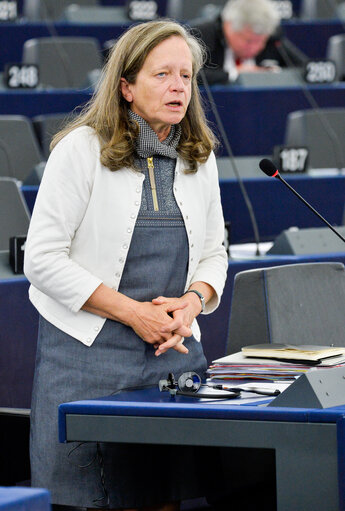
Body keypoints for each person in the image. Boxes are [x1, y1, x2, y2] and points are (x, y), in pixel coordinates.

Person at [24, 19, 228, 511]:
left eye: (186, 75)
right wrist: (135, 313)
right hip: (86, 363)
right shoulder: (80, 150)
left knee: (162, 496)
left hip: (172, 361)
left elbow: (214, 252)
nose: (179, 85)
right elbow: (42, 260)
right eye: (162, 75)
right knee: (93, 499)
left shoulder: (199, 157)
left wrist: (192, 302)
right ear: (126, 86)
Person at [192, 0, 308, 84]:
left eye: (261, 41)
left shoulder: (273, 40)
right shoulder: (200, 36)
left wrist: (275, 74)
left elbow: (306, 70)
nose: (254, 47)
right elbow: (189, 75)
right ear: (228, 26)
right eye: (248, 41)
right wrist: (234, 74)